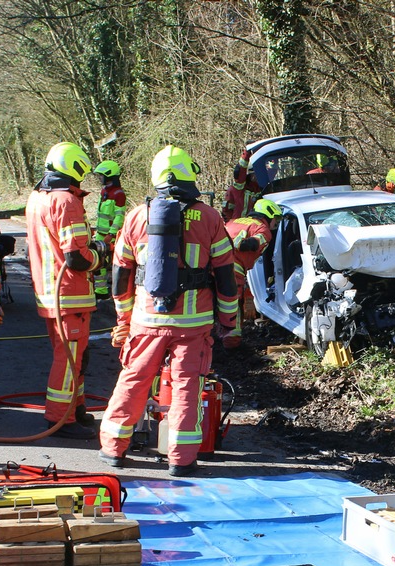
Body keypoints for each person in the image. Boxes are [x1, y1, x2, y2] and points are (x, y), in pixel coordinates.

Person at [99, 145, 238, 475]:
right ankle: (181, 458)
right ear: (189, 175)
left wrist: (123, 318)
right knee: (187, 386)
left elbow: (120, 273)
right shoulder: (209, 217)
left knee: (133, 379)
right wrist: (228, 320)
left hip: (146, 319)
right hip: (194, 323)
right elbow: (225, 275)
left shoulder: (136, 216)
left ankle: (113, 448)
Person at [25, 141, 107, 439]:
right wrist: (101, 255)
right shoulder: (66, 201)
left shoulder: (38, 197)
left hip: (51, 293)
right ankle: (61, 419)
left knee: (75, 356)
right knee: (70, 358)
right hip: (69, 293)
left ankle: (77, 407)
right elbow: (76, 257)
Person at [221, 198, 281, 348]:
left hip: (213, 266)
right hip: (233, 269)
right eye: (276, 219)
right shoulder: (262, 229)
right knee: (233, 305)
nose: (276, 224)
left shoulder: (233, 222)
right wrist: (239, 244)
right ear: (269, 215)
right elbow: (252, 244)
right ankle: (231, 343)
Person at [91, 160, 126, 299]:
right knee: (99, 265)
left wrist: (111, 234)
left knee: (109, 264)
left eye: (101, 176)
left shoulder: (118, 194)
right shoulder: (104, 191)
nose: (99, 178)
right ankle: (101, 291)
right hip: (100, 235)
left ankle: (111, 293)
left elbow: (119, 217)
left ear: (109, 175)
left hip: (109, 237)